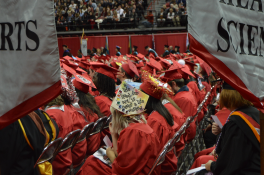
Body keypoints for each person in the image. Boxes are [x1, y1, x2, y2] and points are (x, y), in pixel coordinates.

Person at [81, 87, 161, 175]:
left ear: (117, 114)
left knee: (90, 165)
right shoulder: (140, 126)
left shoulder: (133, 132)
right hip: (144, 171)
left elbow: (121, 169)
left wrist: (109, 153)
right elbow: (120, 156)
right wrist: (114, 134)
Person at [197, 82, 260, 175]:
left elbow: (233, 161)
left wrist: (212, 166)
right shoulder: (252, 111)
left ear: (227, 95)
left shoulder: (237, 121)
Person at [140, 72, 178, 175]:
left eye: (139, 94)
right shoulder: (161, 112)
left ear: (147, 99)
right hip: (166, 162)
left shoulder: (155, 120)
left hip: (159, 167)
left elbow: (150, 152)